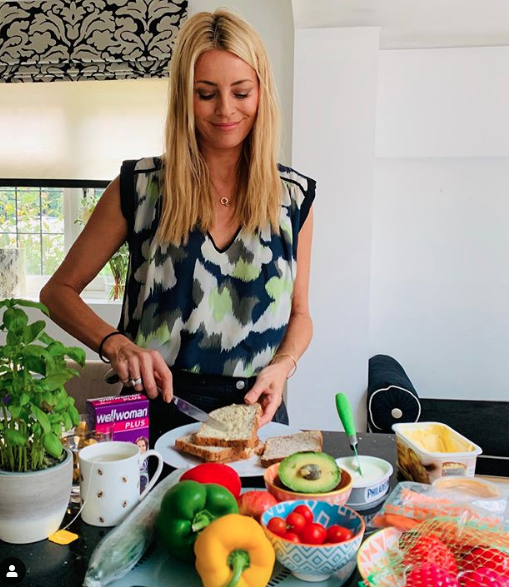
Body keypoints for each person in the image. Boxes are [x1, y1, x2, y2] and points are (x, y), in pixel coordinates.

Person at [41, 8, 315, 448]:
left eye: (241, 92)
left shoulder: (293, 196)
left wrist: (283, 366)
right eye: (206, 94)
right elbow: (57, 292)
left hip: (256, 416)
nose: (225, 109)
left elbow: (300, 314)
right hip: (150, 412)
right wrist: (116, 344)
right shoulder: (139, 186)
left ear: (261, 93)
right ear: (183, 99)